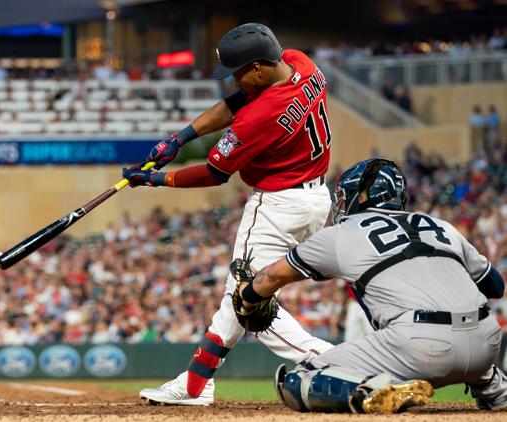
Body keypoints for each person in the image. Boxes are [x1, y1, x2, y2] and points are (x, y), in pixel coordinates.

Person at [124, 22, 335, 405]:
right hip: (316, 197)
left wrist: (154, 179)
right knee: (236, 299)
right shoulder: (299, 63)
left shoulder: (262, 116)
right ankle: (195, 382)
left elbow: (215, 173)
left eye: (239, 72)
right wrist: (181, 137)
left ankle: (336, 362)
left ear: (258, 68)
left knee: (247, 300)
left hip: (277, 206)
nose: (235, 81)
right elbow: (237, 102)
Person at [231, 158, 507, 413]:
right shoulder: (440, 225)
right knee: (466, 336)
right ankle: (495, 388)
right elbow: (494, 286)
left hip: (419, 348)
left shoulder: (341, 234)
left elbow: (272, 277)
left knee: (296, 379)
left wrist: (249, 296)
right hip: (486, 343)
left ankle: (373, 390)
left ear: (361, 196)